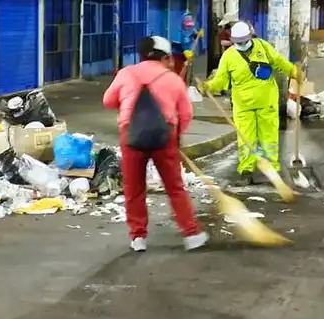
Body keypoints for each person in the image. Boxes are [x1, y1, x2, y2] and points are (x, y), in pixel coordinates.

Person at [103, 36, 208, 252]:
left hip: (131, 135)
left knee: (134, 188)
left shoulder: (126, 73)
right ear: (166, 57)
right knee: (175, 188)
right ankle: (191, 234)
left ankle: (138, 237)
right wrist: (176, 136)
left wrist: (127, 104)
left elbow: (108, 101)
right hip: (165, 137)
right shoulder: (172, 79)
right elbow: (186, 114)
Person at [203, 22, 303, 185]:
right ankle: (246, 171)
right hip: (242, 105)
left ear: (250, 37)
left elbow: (278, 61)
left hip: (267, 101)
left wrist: (294, 72)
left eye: (244, 41)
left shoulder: (263, 47)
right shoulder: (228, 56)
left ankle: (272, 170)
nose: (242, 45)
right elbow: (221, 80)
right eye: (238, 42)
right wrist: (208, 86)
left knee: (269, 138)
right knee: (246, 139)